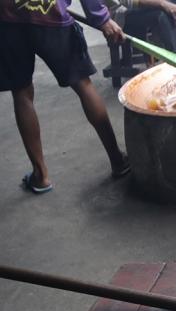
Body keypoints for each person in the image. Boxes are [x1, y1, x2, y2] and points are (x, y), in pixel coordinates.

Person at [0, 0, 130, 194]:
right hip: (52, 18)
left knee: (22, 93)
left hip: (10, 21)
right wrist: (101, 18)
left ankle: (40, 176)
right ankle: (117, 160)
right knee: (82, 84)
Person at [104, 0, 176, 55]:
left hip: (140, 7)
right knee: (161, 14)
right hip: (121, 17)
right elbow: (130, 2)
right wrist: (162, 3)